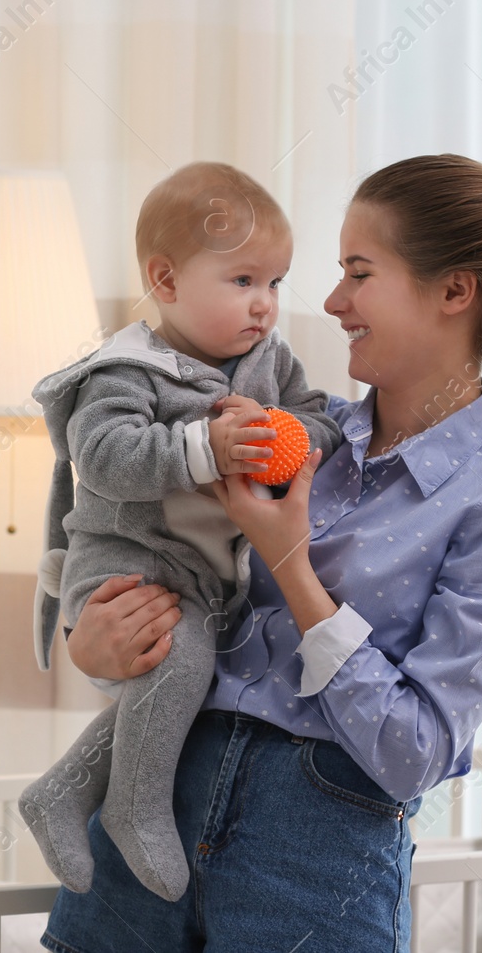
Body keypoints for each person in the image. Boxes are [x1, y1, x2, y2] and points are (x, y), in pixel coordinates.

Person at [38, 153, 482, 953]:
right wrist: (98, 647)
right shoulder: (299, 435)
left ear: (455, 291)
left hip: (312, 864)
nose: (329, 300)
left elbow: (412, 753)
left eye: (359, 272)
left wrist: (291, 563)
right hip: (156, 823)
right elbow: (181, 596)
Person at [20, 162, 344, 902]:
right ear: (165, 281)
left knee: (188, 680)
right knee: (180, 662)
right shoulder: (126, 371)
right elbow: (103, 458)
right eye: (243, 281)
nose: (264, 305)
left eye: (275, 283)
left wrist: (281, 430)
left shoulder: (270, 362)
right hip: (125, 564)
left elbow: (324, 419)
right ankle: (134, 809)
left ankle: (59, 792)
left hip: (201, 578)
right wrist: (208, 447)